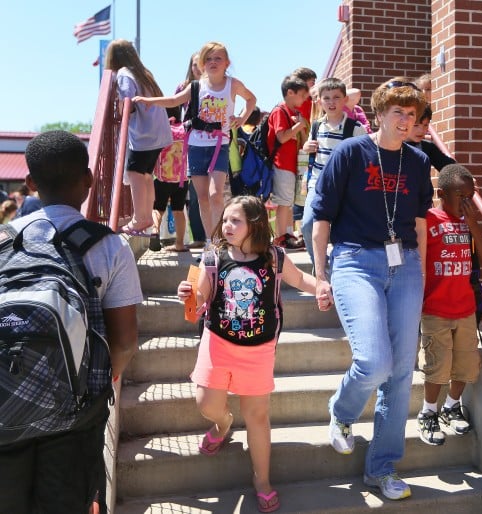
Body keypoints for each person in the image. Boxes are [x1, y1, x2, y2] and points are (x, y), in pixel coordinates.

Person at [0, 130, 142, 514]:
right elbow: (126, 340)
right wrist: (101, 379)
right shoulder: (110, 246)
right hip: (76, 417)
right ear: (89, 180)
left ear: (30, 184)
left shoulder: (2, 241)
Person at [311, 77, 432, 501]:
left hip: (405, 267)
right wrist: (321, 274)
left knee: (401, 372)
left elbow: (419, 224)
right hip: (354, 262)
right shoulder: (350, 152)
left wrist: (423, 274)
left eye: (412, 115)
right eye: (397, 112)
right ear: (379, 114)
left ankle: (382, 467)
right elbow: (322, 217)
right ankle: (342, 411)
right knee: (374, 362)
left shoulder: (417, 163)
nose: (405, 120)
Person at [176, 195, 329, 513]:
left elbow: (300, 279)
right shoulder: (214, 256)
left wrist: (323, 288)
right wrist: (188, 294)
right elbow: (201, 297)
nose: (227, 226)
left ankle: (262, 480)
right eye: (226, 219)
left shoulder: (273, 256)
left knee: (258, 416)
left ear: (255, 225)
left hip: (259, 350)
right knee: (206, 403)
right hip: (217, 343)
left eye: (236, 221)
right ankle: (222, 425)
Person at [133, 41, 256, 244]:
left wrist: (241, 118)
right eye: (208, 58)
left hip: (220, 144)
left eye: (218, 58)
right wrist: (150, 101)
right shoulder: (197, 86)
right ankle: (211, 241)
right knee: (203, 198)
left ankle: (222, 238)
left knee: (216, 194)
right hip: (197, 145)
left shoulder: (233, 84)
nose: (213, 62)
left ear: (227, 62)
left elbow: (251, 99)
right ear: (201, 63)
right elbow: (174, 101)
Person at [416, 163, 482, 446]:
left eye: (470, 197)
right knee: (437, 367)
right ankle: (429, 412)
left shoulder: (468, 222)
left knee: (465, 365)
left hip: (465, 310)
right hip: (435, 309)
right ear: (441, 193)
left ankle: (452, 405)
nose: (466, 202)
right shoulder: (429, 219)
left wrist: (473, 224)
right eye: (460, 196)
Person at [104, 39, 172, 236]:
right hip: (158, 130)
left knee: (134, 173)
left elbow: (128, 102)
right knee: (145, 175)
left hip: (144, 132)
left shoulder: (124, 74)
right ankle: (146, 217)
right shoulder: (143, 72)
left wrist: (119, 107)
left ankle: (140, 218)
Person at [301, 77, 367, 266]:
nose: (331, 102)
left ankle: (342, 265)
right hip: (317, 183)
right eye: (327, 98)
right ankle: (320, 265)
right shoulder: (316, 126)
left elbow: (365, 159)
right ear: (319, 101)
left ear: (345, 100)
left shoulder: (356, 128)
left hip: (344, 187)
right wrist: (307, 147)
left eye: (336, 97)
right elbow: (311, 154)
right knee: (307, 225)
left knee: (341, 228)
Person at [268, 75, 310, 250]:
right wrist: (299, 126)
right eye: (302, 95)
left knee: (288, 202)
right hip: (281, 163)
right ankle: (280, 238)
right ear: (290, 93)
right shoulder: (280, 110)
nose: (305, 99)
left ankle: (288, 234)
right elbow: (282, 137)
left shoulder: (293, 112)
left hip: (290, 164)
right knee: (284, 203)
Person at [149, 107, 190, 252]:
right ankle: (179, 244)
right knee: (179, 210)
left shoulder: (160, 130)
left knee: (157, 208)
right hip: (181, 180)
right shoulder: (185, 129)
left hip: (162, 178)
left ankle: (155, 231)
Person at [176, 51, 206, 248]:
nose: (197, 68)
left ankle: (210, 236)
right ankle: (198, 237)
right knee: (191, 194)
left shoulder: (214, 86)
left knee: (207, 194)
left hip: (210, 142)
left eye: (200, 64)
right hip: (185, 142)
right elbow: (175, 112)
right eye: (194, 64)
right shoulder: (183, 87)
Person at [406, 104, 456, 171]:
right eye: (416, 125)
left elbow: (448, 166)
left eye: (425, 125)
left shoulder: (428, 147)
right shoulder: (393, 146)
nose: (421, 130)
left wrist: (463, 176)